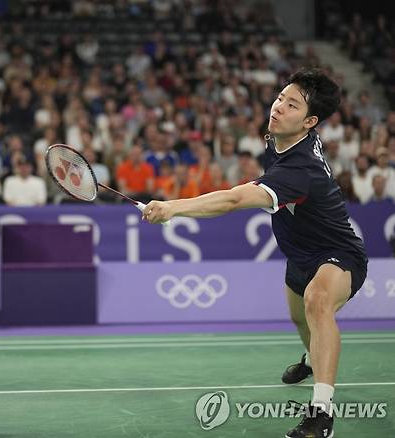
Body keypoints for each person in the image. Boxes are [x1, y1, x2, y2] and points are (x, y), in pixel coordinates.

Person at [143, 69, 368, 438]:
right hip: (299, 254)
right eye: (280, 97)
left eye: (291, 104)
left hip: (338, 253)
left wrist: (173, 208)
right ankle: (312, 359)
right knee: (299, 318)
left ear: (310, 122)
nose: (277, 107)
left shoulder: (301, 169)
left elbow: (233, 200)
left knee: (317, 302)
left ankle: (321, 414)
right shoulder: (281, 138)